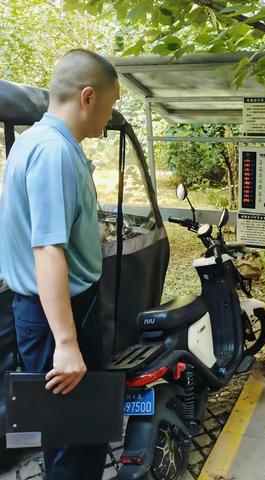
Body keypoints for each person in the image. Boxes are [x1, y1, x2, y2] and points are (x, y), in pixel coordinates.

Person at [0, 49, 120, 479]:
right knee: (76, 439)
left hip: (50, 311)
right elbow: (48, 250)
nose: (109, 117)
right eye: (111, 104)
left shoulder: (35, 141)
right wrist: (66, 343)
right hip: (58, 317)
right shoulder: (54, 152)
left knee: (71, 434)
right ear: (88, 97)